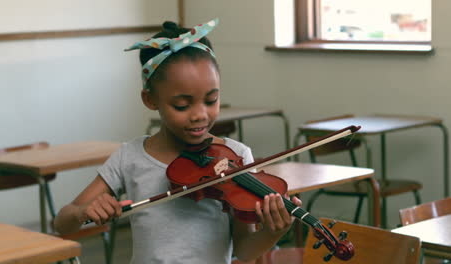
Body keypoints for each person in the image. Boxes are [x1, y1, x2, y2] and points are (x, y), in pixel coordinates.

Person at [54, 18, 301, 264]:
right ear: (150, 100)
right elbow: (62, 224)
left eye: (211, 100)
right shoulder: (130, 156)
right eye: (182, 105)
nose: (200, 115)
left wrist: (274, 231)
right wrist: (81, 211)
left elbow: (244, 252)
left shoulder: (235, 156)